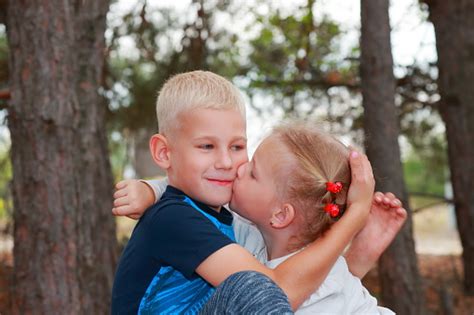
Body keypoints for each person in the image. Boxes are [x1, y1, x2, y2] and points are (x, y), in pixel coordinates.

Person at [111, 70, 377, 314]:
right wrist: (355, 217)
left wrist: (152, 189)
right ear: (164, 152)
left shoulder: (229, 220)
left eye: (237, 147)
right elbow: (274, 295)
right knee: (249, 287)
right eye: (206, 146)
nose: (227, 163)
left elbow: (314, 291)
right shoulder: (174, 220)